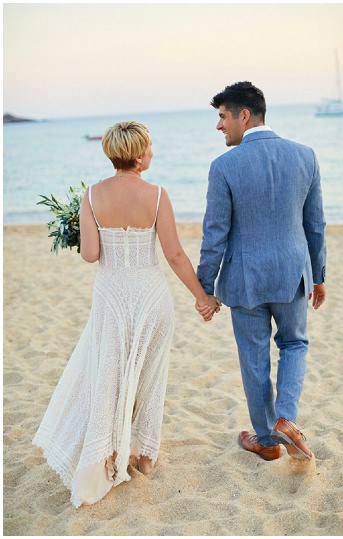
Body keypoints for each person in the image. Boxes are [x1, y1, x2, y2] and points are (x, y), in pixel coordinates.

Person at [32, 121, 219, 507]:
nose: (152, 153)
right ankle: (145, 459)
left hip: (111, 297)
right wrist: (202, 297)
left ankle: (108, 455)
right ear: (137, 155)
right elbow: (174, 255)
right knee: (149, 376)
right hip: (150, 295)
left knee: (110, 375)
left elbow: (90, 254)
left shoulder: (91, 195)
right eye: (149, 148)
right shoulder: (157, 195)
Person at [196, 81, 326, 461]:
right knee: (294, 344)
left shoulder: (223, 166)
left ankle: (268, 442)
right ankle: (286, 419)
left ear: (244, 116)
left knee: (254, 358)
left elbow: (214, 233)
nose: (219, 126)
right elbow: (315, 225)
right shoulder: (306, 156)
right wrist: (319, 276)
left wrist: (206, 288)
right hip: (292, 273)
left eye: (222, 117)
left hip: (244, 278)